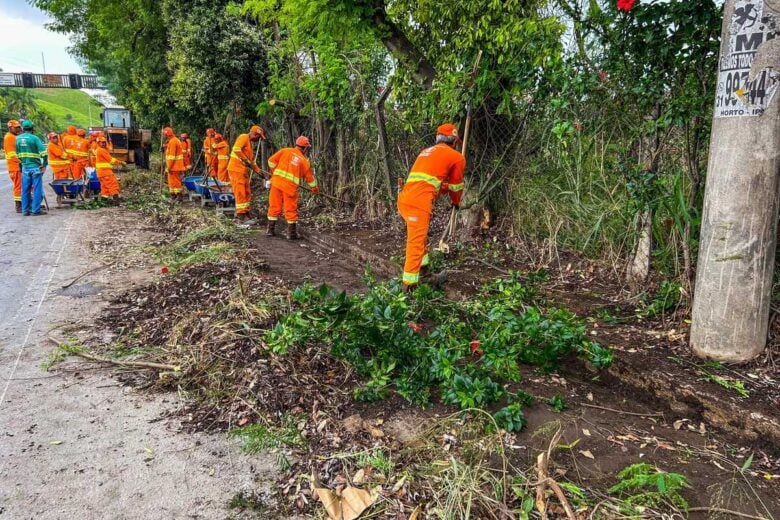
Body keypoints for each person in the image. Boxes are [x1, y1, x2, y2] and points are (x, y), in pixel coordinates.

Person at [397, 123, 465, 292]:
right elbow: (456, 186)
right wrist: (456, 202)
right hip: (418, 204)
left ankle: (425, 274)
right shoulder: (456, 157)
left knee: (420, 239)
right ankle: (408, 289)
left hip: (405, 199)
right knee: (415, 243)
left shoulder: (426, 152)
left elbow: (430, 181)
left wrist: (444, 188)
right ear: (455, 141)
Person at [265, 135, 319, 239]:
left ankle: (270, 231)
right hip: (289, 188)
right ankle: (291, 234)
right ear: (305, 148)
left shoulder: (285, 151)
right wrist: (315, 188)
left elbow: (270, 161)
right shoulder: (303, 161)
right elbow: (310, 178)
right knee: (290, 209)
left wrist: (275, 172)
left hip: (276, 183)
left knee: (274, 206)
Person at [226, 125, 265, 222]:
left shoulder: (250, 145)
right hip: (235, 169)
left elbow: (251, 162)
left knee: (247, 191)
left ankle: (246, 212)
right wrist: (246, 160)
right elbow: (236, 149)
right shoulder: (243, 137)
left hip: (242, 170)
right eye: (258, 137)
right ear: (254, 133)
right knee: (240, 192)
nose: (258, 139)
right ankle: (241, 214)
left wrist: (258, 171)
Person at [15, 119, 48, 216]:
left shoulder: (17, 139)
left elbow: (18, 155)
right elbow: (44, 153)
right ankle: (35, 210)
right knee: (37, 189)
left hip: (25, 167)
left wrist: (21, 167)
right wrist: (44, 164)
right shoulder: (34, 138)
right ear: (32, 128)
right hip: (35, 168)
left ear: (23, 128)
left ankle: (25, 210)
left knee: (25, 190)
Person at [95, 135, 125, 204]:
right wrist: (121, 162)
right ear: (98, 143)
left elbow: (109, 151)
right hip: (105, 172)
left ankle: (104, 200)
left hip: (101, 172)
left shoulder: (99, 150)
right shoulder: (101, 150)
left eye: (104, 142)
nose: (104, 144)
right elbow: (111, 160)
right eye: (102, 142)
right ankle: (117, 200)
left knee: (105, 187)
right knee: (113, 184)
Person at [4, 119, 22, 212]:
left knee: (21, 185)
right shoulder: (10, 137)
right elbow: (12, 155)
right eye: (16, 128)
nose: (18, 129)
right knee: (18, 186)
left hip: (16, 166)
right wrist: (21, 162)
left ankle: (24, 203)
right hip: (15, 167)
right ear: (10, 128)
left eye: (19, 127)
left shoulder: (13, 137)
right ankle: (18, 206)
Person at [163, 127, 186, 200]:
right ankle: (173, 195)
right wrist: (164, 148)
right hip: (173, 165)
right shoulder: (173, 140)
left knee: (175, 181)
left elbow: (172, 156)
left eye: (164, 134)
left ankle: (179, 196)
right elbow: (169, 151)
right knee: (171, 181)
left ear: (167, 134)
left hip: (174, 166)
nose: (164, 136)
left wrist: (169, 167)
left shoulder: (173, 141)